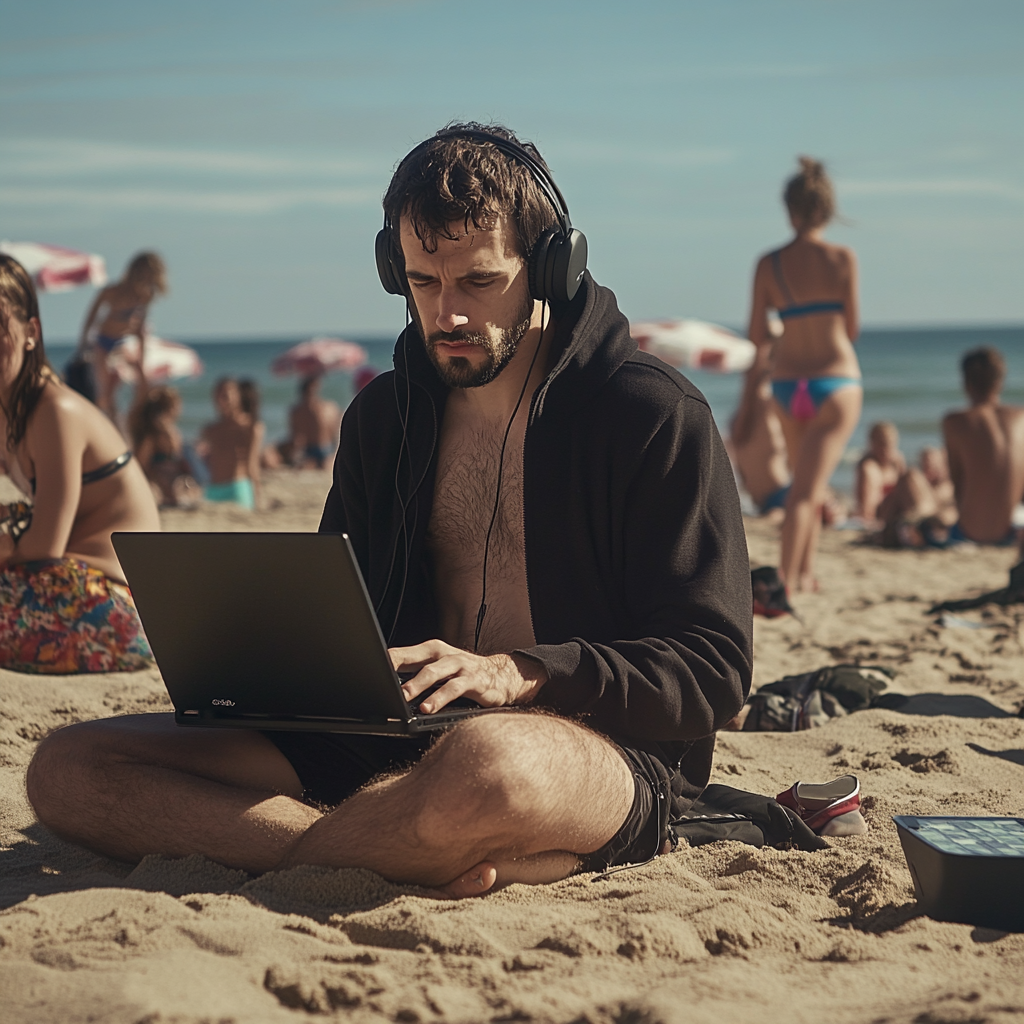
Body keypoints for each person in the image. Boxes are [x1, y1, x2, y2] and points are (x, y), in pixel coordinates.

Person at [26, 125, 752, 897]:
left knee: (489, 767)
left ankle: (360, 841)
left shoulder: (651, 415)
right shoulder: (382, 420)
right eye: (422, 282)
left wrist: (523, 672)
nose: (448, 314)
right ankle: (384, 851)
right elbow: (345, 618)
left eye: (478, 281)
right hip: (391, 733)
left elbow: (715, 667)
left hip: (594, 745)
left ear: (549, 266)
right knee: (69, 768)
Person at [0, 254, 159, 673]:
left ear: (31, 331)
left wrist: (7, 543)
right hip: (70, 583)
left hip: (121, 605)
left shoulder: (56, 411)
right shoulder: (9, 412)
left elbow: (44, 545)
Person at [748, 157, 862, 591]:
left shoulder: (769, 263)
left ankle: (806, 572)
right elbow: (851, 328)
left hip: (787, 384)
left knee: (806, 485)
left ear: (789, 209)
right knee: (806, 492)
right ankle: (789, 581)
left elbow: (758, 334)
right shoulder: (842, 259)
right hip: (836, 381)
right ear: (827, 210)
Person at [941, 347, 1024, 546]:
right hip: (1014, 531)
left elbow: (958, 485)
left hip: (970, 531)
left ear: (966, 383)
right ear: (1000, 382)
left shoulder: (954, 422)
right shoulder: (1021, 418)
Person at [77, 252, 168, 419]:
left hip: (123, 341)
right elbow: (91, 317)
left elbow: (141, 328)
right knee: (104, 392)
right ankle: (109, 418)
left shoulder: (145, 296)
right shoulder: (112, 291)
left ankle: (135, 416)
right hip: (104, 341)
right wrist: (83, 344)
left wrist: (143, 356)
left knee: (143, 384)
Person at [728, 363, 791, 518]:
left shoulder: (738, 426)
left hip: (778, 496)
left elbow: (756, 387)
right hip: (774, 497)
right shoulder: (745, 424)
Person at [128, 384, 201, 508]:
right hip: (164, 479)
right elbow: (144, 460)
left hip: (162, 478)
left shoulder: (154, 429)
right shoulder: (163, 431)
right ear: (172, 406)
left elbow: (141, 460)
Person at [196, 377, 262, 511]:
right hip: (212, 489)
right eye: (218, 393)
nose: (221, 397)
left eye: (226, 393)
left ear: (238, 396)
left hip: (237, 487)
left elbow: (252, 464)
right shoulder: (210, 429)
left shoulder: (250, 427)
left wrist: (257, 495)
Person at [286, 374, 342, 469]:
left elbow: (334, 432)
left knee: (323, 464)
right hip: (309, 449)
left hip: (324, 448)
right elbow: (296, 436)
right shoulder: (297, 411)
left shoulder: (326, 408)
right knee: (308, 465)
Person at [855, 422, 906, 524]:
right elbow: (867, 507)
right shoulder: (869, 467)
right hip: (878, 515)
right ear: (872, 443)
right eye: (882, 444)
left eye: (891, 444)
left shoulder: (897, 462)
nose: (886, 450)